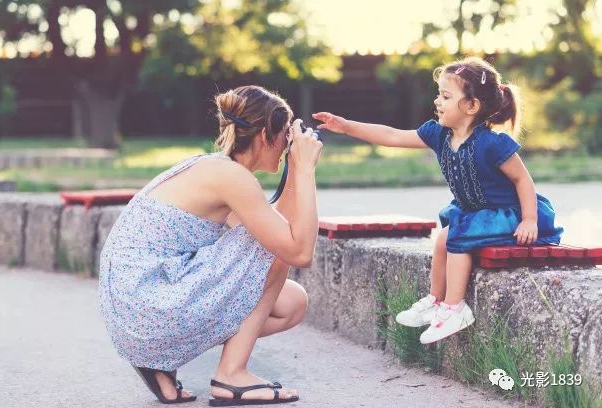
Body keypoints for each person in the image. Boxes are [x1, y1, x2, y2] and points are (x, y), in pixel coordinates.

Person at [312, 56, 563, 344]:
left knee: (455, 235)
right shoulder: (439, 134)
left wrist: (529, 219)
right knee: (443, 238)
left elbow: (523, 180)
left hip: (510, 215)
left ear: (471, 106)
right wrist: (347, 127)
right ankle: (436, 299)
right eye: (439, 95)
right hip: (475, 214)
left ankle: (456, 309)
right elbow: (393, 136)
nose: (438, 101)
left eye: (446, 96)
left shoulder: (494, 143)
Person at [98, 85, 323, 405]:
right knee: (274, 253)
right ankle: (231, 375)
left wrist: (295, 168)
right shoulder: (230, 178)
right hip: (146, 303)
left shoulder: (216, 169)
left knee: (292, 304)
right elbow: (297, 251)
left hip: (134, 311)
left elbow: (279, 231)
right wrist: (307, 171)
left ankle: (158, 361)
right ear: (264, 135)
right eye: (286, 133)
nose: (289, 141)